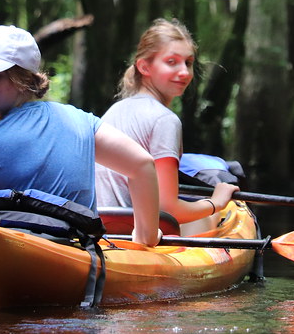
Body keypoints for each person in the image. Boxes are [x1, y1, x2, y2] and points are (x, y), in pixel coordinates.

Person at [0, 24, 161, 247]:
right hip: (82, 256)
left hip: (17, 258)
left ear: (22, 78)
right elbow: (143, 165)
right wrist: (146, 237)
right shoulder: (80, 121)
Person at [95, 19, 239, 226]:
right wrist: (216, 202)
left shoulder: (116, 109)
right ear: (144, 67)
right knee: (224, 215)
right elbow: (167, 209)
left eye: (188, 63)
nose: (184, 72)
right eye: (172, 62)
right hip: (130, 233)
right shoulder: (164, 120)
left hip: (99, 227)